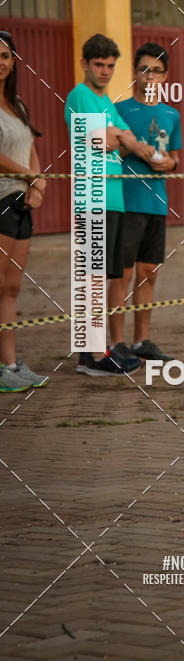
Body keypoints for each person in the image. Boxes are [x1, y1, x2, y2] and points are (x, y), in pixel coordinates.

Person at [64, 34, 152, 376]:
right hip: (90, 198)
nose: (105, 71)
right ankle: (91, 357)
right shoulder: (80, 96)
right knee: (92, 279)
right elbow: (102, 141)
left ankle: (101, 351)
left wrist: (121, 137)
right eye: (98, 64)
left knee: (104, 276)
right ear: (85, 64)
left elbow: (128, 144)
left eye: (110, 66)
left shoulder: (107, 103)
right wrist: (119, 137)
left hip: (113, 198)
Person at [112, 43, 181, 362]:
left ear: (165, 76)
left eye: (155, 70)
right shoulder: (120, 109)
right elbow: (110, 149)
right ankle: (117, 342)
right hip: (126, 201)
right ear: (135, 73)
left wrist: (170, 164)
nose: (149, 75)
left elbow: (175, 157)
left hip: (156, 202)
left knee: (149, 271)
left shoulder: (171, 114)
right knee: (121, 274)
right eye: (143, 69)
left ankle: (142, 341)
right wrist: (132, 148)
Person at [0, 32, 47, 392]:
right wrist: (30, 177)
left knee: (12, 288)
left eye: (5, 56)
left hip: (21, 203)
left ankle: (11, 365)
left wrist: (37, 185)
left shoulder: (18, 105)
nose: (0, 62)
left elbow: (30, 149)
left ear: (13, 62)